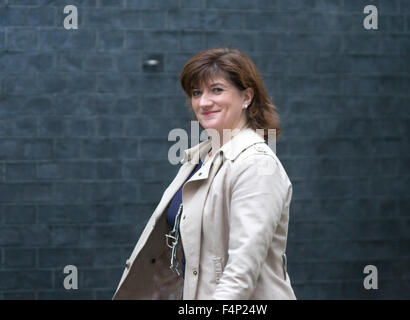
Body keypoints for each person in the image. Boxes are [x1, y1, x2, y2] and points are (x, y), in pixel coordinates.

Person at [112, 47, 296, 300]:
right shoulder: (199, 158)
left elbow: (241, 272)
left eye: (217, 90)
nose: (203, 102)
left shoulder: (256, 165)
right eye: (197, 93)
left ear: (246, 97)